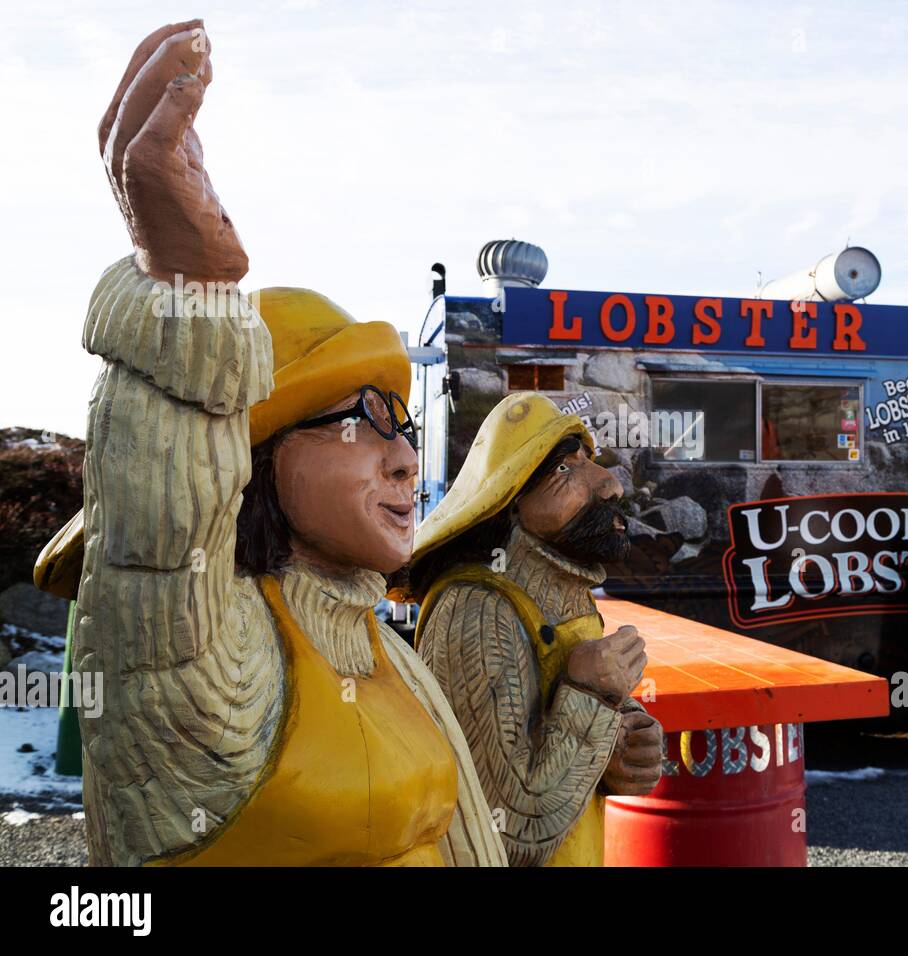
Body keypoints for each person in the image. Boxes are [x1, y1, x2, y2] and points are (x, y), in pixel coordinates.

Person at [33, 20, 505, 867]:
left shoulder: (373, 641)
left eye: (403, 424)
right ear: (255, 454)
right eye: (360, 419)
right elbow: (162, 565)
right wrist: (189, 292)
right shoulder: (226, 655)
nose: (402, 458)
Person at [404, 393, 665, 866]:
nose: (609, 486)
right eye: (565, 469)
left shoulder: (565, 594)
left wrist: (623, 745)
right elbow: (508, 827)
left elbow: (560, 743)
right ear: (509, 497)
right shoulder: (478, 610)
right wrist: (591, 693)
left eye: (591, 462)